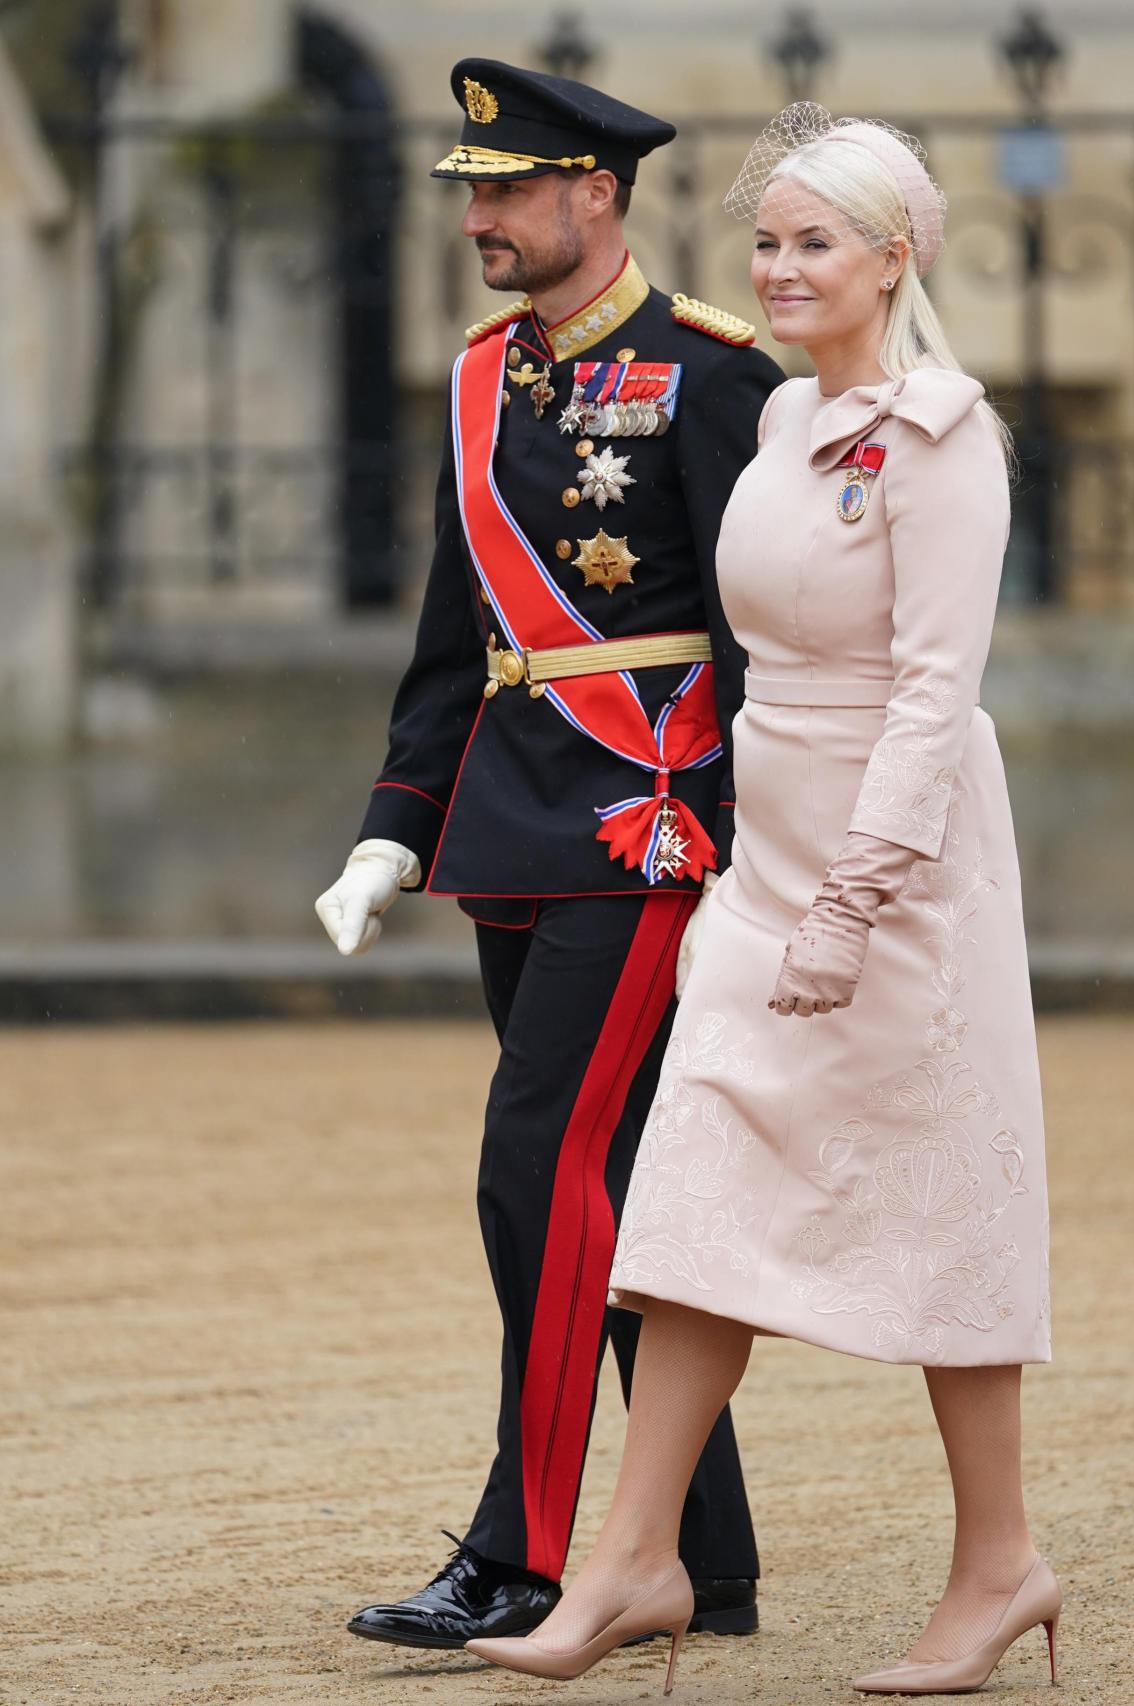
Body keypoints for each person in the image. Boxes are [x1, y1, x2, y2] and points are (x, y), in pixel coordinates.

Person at [466, 106, 1059, 1696]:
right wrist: (748, 862)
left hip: (898, 863)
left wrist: (855, 901)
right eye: (768, 241)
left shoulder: (946, 438)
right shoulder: (786, 421)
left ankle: (1000, 1561)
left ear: (893, 257)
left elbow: (936, 695)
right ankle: (637, 1555)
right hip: (761, 852)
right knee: (692, 1193)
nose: (780, 269)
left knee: (946, 1203)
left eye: (815, 244)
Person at [314, 59, 785, 1651]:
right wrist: (390, 832)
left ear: (598, 191)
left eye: (507, 188)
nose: (478, 215)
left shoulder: (713, 375)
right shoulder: (477, 382)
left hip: (646, 822)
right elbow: (461, 640)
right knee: (624, 1171)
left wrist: (753, 844)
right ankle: (702, 1550)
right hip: (508, 817)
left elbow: (756, 636)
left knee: (538, 1169)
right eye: (469, 188)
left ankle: (527, 1546)